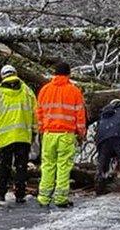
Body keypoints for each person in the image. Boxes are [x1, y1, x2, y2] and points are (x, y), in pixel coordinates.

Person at [36, 61, 86, 208]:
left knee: (47, 165)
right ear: (69, 74)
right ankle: (60, 197)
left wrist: (41, 129)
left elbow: (39, 113)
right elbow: (80, 115)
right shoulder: (74, 91)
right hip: (66, 134)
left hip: (49, 134)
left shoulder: (45, 90)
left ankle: (44, 197)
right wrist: (81, 132)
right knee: (63, 166)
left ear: (55, 74)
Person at [0, 64, 37, 205]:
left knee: (3, 167)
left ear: (3, 76)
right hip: (23, 136)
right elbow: (35, 113)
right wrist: (34, 131)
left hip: (5, 138)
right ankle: (20, 194)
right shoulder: (27, 91)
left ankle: (0, 194)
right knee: (21, 167)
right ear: (15, 73)